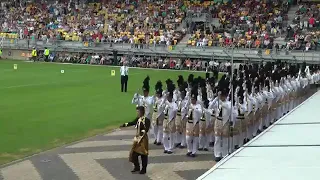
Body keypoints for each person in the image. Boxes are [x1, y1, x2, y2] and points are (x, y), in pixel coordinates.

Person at [120, 106, 151, 174]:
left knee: (143, 154)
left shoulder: (146, 120)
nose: (137, 113)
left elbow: (146, 129)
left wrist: (141, 134)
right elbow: (132, 122)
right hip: (137, 139)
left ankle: (144, 169)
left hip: (143, 139)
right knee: (133, 154)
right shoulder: (138, 119)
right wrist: (124, 124)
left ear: (142, 112)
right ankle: (137, 167)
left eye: (138, 112)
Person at [186, 81, 202, 157]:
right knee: (188, 138)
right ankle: (189, 150)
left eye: (193, 99)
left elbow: (200, 112)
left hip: (195, 124)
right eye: (191, 99)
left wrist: (194, 108)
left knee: (195, 138)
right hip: (189, 123)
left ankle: (194, 151)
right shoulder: (189, 104)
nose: (192, 101)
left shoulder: (198, 105)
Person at [163, 79, 178, 154]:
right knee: (165, 136)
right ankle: (166, 147)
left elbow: (175, 109)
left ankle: (170, 148)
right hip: (165, 120)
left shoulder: (174, 104)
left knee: (171, 136)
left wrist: (169, 105)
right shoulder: (166, 103)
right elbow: (161, 107)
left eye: (169, 97)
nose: (168, 98)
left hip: (171, 120)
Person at [152, 81, 165, 145]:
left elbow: (162, 107)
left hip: (160, 114)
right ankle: (156, 138)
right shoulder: (155, 98)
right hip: (154, 113)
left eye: (158, 93)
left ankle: (159, 140)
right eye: (157, 93)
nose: (157, 94)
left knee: (160, 127)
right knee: (154, 127)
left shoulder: (162, 99)